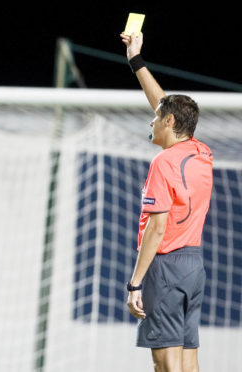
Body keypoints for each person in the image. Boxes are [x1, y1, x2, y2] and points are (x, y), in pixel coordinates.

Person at [120, 32, 213, 372]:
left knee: (166, 366)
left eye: (157, 118)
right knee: (188, 363)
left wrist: (135, 283)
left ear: (170, 122)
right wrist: (136, 60)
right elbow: (163, 103)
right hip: (193, 268)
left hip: (167, 267)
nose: (152, 120)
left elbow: (157, 228)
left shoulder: (163, 162)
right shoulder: (201, 152)